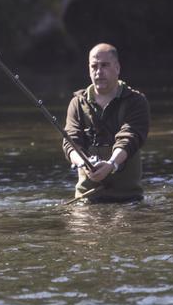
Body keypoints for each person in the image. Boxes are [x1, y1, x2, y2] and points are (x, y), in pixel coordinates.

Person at [63, 43, 150, 202]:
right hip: (87, 199)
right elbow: (70, 142)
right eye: (94, 66)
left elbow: (130, 138)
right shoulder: (76, 104)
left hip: (128, 198)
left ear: (117, 68)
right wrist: (84, 163)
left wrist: (111, 164)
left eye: (104, 65)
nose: (99, 71)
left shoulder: (136, 101)